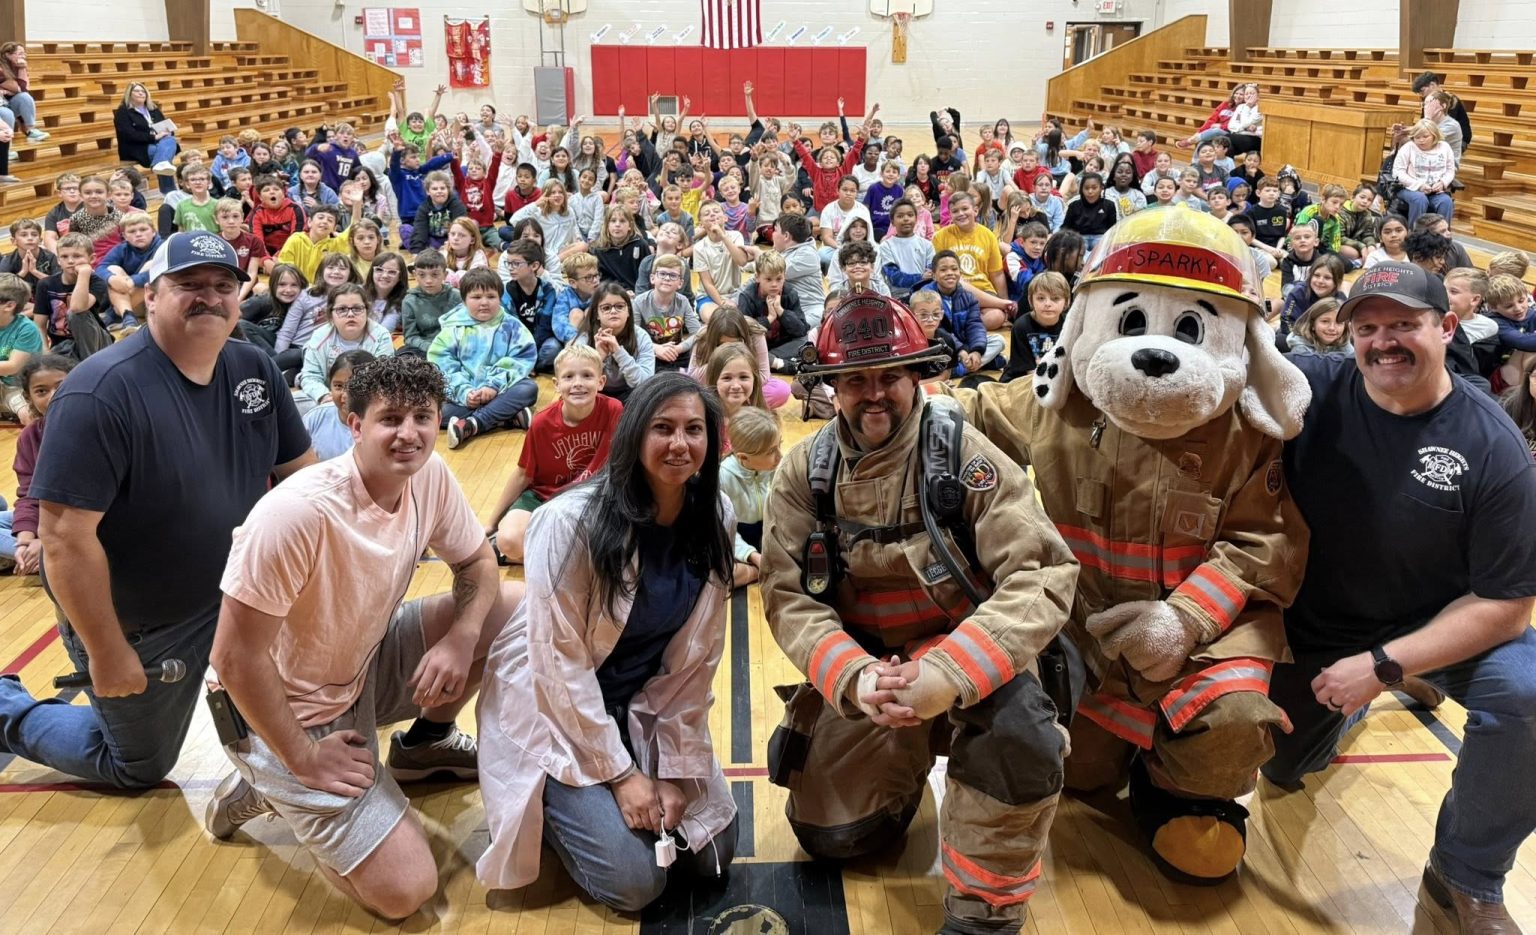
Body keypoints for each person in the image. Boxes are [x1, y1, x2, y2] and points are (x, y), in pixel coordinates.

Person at [759, 290, 1077, 935]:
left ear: (916, 375)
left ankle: (983, 913)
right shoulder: (804, 472)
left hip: (973, 659)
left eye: (890, 377)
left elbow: (1041, 572)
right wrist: (854, 677)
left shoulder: (966, 454)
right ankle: (899, 765)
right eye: (855, 380)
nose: (874, 394)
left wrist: (949, 674)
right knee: (837, 836)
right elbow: (787, 596)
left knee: (1021, 740)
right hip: (875, 674)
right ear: (832, 387)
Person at [1267, 263, 1536, 934]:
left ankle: (1467, 876)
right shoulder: (1309, 387)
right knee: (1279, 768)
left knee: (1530, 690)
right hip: (1316, 622)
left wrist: (1383, 663)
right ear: (1349, 338)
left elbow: (1507, 606)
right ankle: (1358, 706)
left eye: (1404, 325)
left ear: (1447, 326)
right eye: (1368, 328)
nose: (1384, 342)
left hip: (1436, 624)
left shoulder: (1494, 447)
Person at [207, 355, 523, 920]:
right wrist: (301, 758)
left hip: (363, 661)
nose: (410, 434)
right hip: (279, 710)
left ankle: (426, 744)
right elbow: (233, 658)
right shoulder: (297, 513)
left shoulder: (427, 475)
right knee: (406, 891)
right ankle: (267, 780)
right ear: (354, 425)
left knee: (514, 607)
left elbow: (476, 559)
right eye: (390, 419)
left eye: (423, 417)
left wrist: (459, 638)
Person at [0, 232, 314, 789]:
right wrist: (106, 650)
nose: (209, 297)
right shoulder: (99, 392)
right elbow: (65, 539)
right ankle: (6, 706)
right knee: (136, 765)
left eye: (223, 285)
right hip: (143, 623)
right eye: (188, 285)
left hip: (235, 590)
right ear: (150, 294)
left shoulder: (253, 369)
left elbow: (305, 478)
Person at [475, 372, 739, 909]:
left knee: (711, 853)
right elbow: (557, 667)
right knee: (637, 883)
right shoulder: (567, 522)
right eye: (663, 428)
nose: (680, 444)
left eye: (694, 429)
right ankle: (551, 805)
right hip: (554, 710)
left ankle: (606, 796)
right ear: (634, 434)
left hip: (636, 705)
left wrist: (673, 772)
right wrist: (622, 777)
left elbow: (694, 666)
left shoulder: (715, 516)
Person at [485, 343, 622, 565]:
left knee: (610, 546)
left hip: (590, 499)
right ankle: (548, 557)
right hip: (543, 496)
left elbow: (622, 464)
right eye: (569, 377)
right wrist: (492, 522)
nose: (577, 383)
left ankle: (537, 558)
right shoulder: (541, 422)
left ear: (601, 382)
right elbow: (523, 474)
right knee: (508, 540)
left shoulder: (614, 410)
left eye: (587, 375)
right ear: (557, 385)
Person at [429, 268, 539, 449]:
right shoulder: (452, 329)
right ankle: (507, 416)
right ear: (464, 300)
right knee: (438, 413)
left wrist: (493, 385)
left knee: (529, 388)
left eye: (491, 296)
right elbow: (441, 365)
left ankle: (472, 425)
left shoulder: (512, 326)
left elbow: (521, 358)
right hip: (463, 396)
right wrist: (465, 392)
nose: (484, 302)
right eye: (476, 297)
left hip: (500, 390)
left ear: (500, 298)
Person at [0, 354, 72, 573]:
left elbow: (94, 506)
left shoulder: (97, 428)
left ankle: (47, 559)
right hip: (48, 520)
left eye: (61, 386)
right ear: (28, 398)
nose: (53, 396)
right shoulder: (30, 436)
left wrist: (46, 542)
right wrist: (25, 541)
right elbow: (29, 495)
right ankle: (31, 557)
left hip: (91, 528)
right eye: (41, 391)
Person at [720, 407, 781, 588]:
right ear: (743, 457)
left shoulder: (775, 467)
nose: (779, 456)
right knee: (719, 575)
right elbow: (723, 532)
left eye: (780, 445)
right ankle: (756, 570)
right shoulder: (723, 477)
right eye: (771, 451)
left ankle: (762, 568)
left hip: (768, 532)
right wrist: (752, 555)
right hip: (736, 538)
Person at [302, 349, 375, 460]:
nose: (345, 395)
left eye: (354, 386)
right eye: (338, 386)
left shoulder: (382, 425)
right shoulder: (315, 418)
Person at [113, 83, 180, 193]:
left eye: (143, 91)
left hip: (158, 143)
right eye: (137, 91)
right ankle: (169, 192)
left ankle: (160, 165)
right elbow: (128, 135)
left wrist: (168, 132)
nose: (141, 93)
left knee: (170, 140)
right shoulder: (123, 112)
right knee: (163, 157)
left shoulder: (153, 109)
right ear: (129, 94)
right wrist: (154, 137)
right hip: (136, 147)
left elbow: (164, 125)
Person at [1392, 120, 1457, 227]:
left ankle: (1442, 236)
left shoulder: (1444, 147)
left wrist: (1442, 183)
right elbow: (1397, 172)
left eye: (1425, 137)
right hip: (1409, 189)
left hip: (1435, 191)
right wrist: (1419, 185)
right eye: (1417, 137)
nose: (1421, 140)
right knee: (1419, 199)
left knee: (1446, 201)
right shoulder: (1408, 147)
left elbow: (1450, 170)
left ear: (1434, 136)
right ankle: (1415, 235)